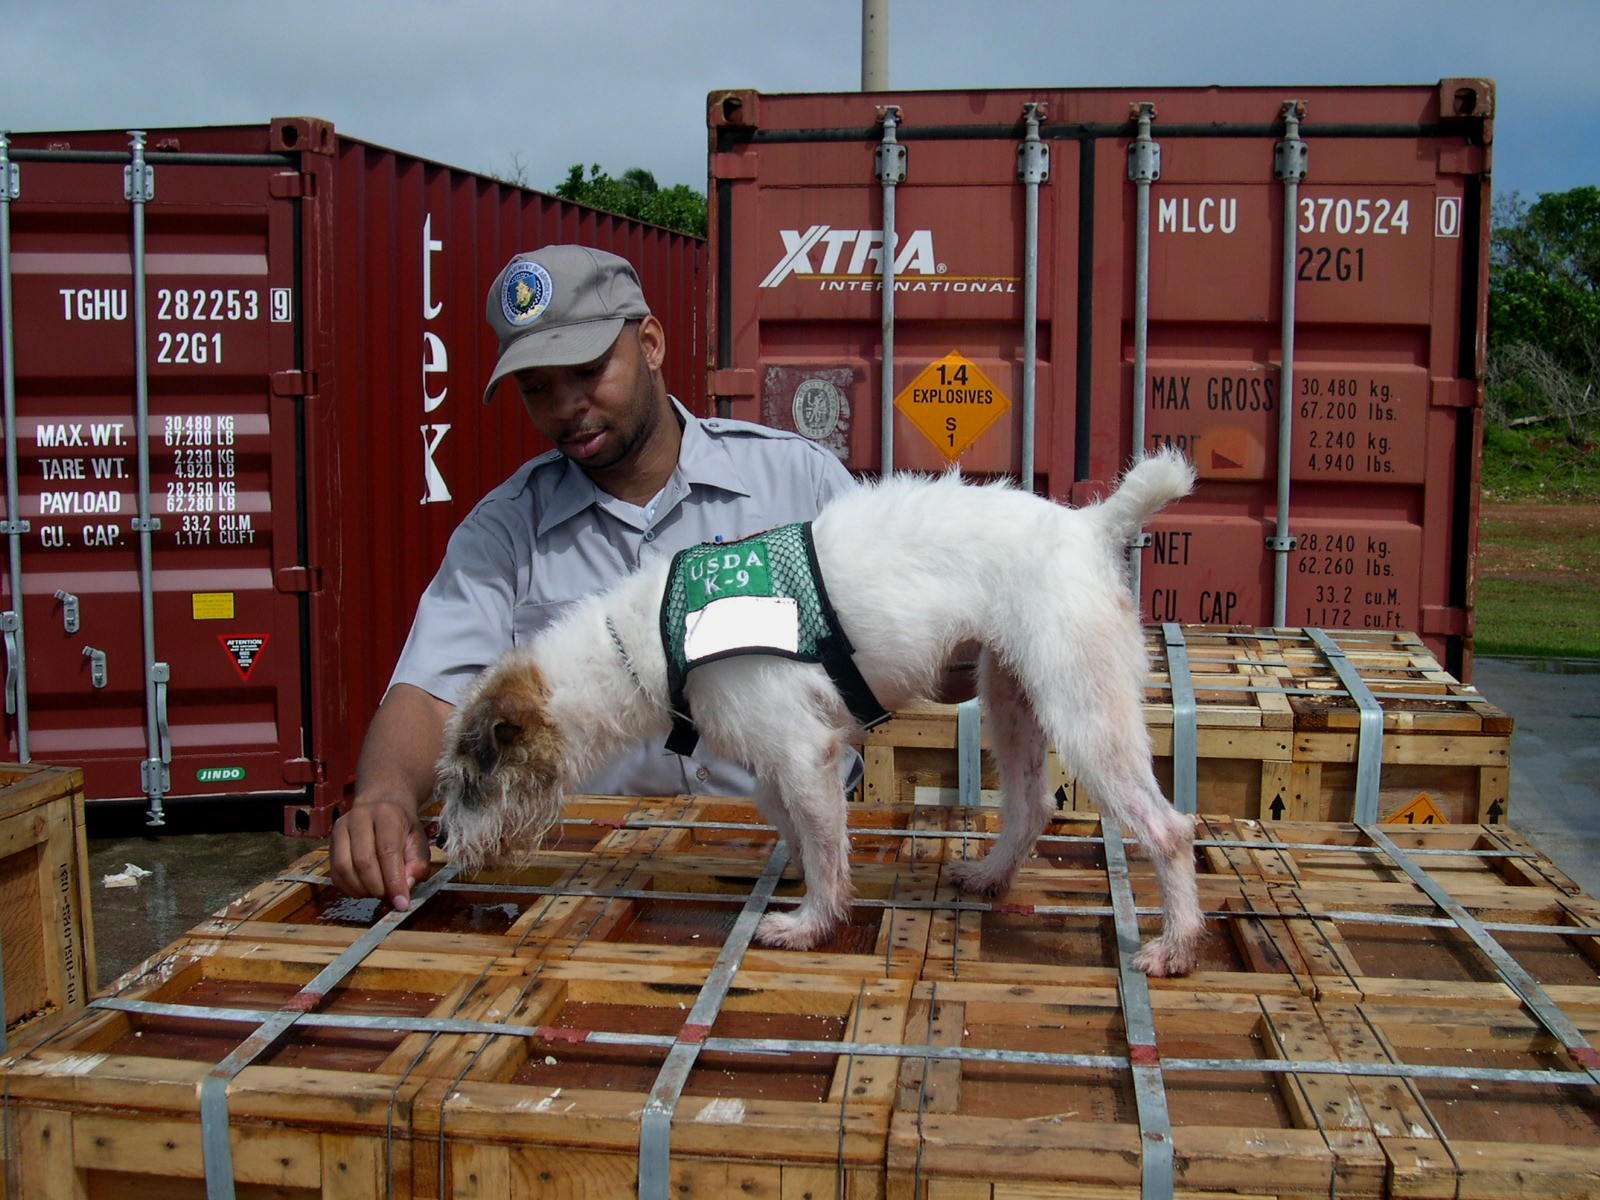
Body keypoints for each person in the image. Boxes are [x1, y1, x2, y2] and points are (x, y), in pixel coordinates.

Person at [329, 244, 858, 910]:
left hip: (792, 863)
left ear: (652, 343)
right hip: (598, 879)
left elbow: (899, 628)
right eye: (537, 388)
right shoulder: (506, 533)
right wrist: (383, 795)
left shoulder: (795, 483)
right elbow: (435, 693)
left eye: (587, 370)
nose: (567, 405)